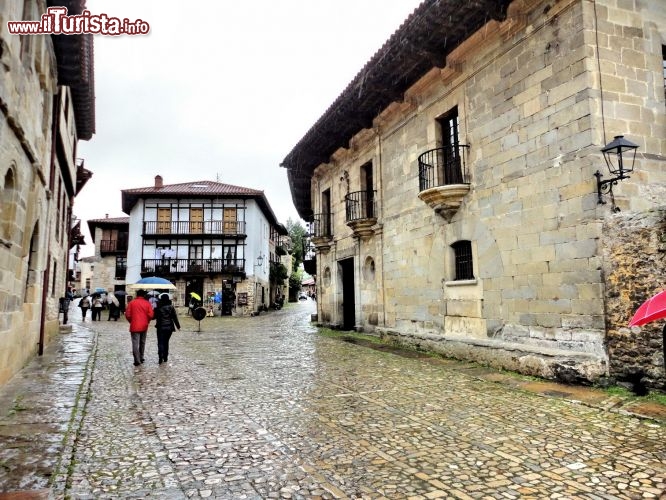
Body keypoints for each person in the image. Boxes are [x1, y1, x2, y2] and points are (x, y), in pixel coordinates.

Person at [124, 289, 154, 366]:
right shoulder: (147, 303)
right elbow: (151, 315)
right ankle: (141, 357)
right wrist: (147, 321)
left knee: (135, 343)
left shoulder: (132, 303)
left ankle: (137, 360)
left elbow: (127, 315)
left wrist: (132, 321)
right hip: (144, 325)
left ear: (137, 295)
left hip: (135, 325)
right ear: (144, 295)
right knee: (142, 342)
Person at [154, 293, 180, 364]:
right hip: (169, 327)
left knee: (160, 342)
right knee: (166, 342)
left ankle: (160, 357)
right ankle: (165, 357)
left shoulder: (158, 307)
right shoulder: (171, 307)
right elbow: (174, 317)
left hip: (160, 327)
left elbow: (154, 316)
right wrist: (178, 326)